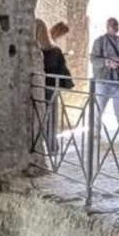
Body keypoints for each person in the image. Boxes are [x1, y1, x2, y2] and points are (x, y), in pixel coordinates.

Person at [37, 17, 73, 156]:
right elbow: (60, 68)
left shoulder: (37, 50)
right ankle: (53, 148)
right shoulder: (54, 50)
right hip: (51, 87)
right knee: (51, 118)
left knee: (40, 118)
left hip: (38, 86)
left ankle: (42, 147)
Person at [90, 16, 119, 130]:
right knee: (99, 108)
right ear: (108, 27)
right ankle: (95, 131)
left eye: (117, 25)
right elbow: (93, 59)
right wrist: (108, 62)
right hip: (104, 80)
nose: (116, 27)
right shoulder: (99, 41)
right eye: (113, 25)